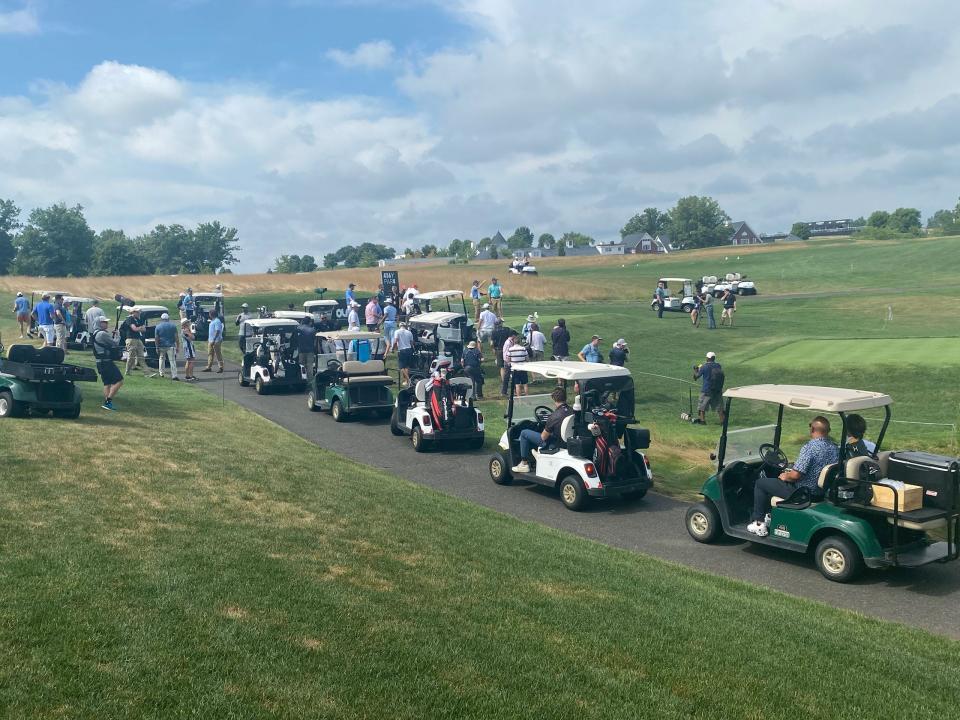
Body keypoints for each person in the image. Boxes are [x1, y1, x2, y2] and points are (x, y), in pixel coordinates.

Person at [748, 416, 839, 537]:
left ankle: (759, 523)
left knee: (761, 483)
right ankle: (769, 515)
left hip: (801, 493)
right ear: (828, 431)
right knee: (775, 481)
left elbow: (796, 475)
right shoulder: (834, 448)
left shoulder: (810, 448)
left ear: (812, 429)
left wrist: (786, 476)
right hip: (819, 493)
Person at [511, 387, 574, 474]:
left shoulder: (554, 416)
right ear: (565, 397)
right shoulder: (572, 411)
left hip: (554, 443)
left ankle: (524, 464)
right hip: (567, 441)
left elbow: (543, 437)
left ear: (554, 399)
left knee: (524, 433)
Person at [91, 316, 123, 410]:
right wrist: (118, 335)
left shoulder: (96, 333)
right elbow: (115, 343)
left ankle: (107, 404)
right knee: (119, 381)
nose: (107, 324)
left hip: (100, 362)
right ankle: (108, 401)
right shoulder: (102, 334)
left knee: (107, 383)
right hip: (106, 362)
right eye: (104, 322)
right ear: (99, 323)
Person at [693, 351, 724, 424]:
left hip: (706, 390)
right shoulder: (718, 365)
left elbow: (696, 377)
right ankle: (722, 422)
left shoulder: (704, 367)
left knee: (702, 407)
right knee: (719, 407)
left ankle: (702, 421)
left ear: (707, 358)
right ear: (714, 358)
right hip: (717, 390)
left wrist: (696, 370)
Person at [154, 312, 181, 380]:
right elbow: (176, 337)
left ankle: (161, 373)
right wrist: (178, 346)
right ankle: (174, 375)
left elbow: (156, 338)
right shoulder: (173, 326)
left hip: (161, 345)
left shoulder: (158, 326)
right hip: (171, 345)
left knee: (161, 359)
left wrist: (156, 347)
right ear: (168, 318)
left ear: (161, 319)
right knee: (172, 360)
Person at [122, 307, 149, 377]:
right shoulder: (129, 319)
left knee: (141, 356)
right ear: (133, 312)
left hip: (137, 339)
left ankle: (147, 373)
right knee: (131, 357)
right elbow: (134, 329)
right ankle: (127, 371)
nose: (139, 313)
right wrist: (140, 328)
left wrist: (139, 328)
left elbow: (144, 329)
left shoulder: (138, 320)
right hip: (131, 339)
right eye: (137, 312)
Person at [492, 321, 513, 396]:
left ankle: (504, 381)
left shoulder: (494, 332)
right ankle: (508, 379)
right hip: (507, 349)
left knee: (501, 367)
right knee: (508, 364)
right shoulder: (507, 329)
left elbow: (492, 342)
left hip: (498, 349)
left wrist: (493, 349)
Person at [506, 332, 529, 396]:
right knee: (525, 384)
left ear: (513, 342)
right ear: (519, 342)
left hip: (515, 369)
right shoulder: (523, 348)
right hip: (523, 368)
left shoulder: (510, 349)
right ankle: (527, 397)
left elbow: (508, 359)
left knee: (517, 385)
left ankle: (519, 398)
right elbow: (527, 358)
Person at [392, 322, 415, 387]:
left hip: (402, 350)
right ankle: (406, 381)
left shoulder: (397, 332)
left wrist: (393, 348)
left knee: (401, 367)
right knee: (407, 366)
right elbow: (411, 342)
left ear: (399, 326)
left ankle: (408, 380)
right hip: (409, 349)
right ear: (405, 326)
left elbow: (396, 341)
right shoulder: (409, 332)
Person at [298, 317, 317, 382]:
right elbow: (315, 343)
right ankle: (310, 381)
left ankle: (302, 380)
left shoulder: (298, 328)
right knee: (309, 367)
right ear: (309, 322)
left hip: (300, 351)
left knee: (301, 366)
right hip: (310, 351)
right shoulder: (312, 330)